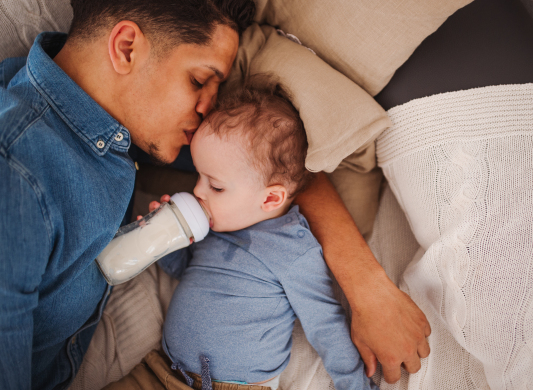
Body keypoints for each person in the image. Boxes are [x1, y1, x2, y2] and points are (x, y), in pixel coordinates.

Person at [0, 0, 430, 389]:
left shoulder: (116, 121)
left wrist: (368, 289)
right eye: (199, 80)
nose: (209, 110)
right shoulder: (18, 179)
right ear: (127, 47)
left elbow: (282, 177)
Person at [153, 79, 378, 390]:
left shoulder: (293, 250)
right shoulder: (217, 225)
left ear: (270, 199)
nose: (197, 191)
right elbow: (184, 270)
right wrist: (166, 241)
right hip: (161, 369)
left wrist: (355, 385)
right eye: (198, 176)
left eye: (215, 186)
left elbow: (325, 324)